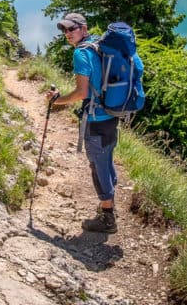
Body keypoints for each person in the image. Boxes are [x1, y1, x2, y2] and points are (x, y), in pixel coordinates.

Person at [46, 12, 132, 234]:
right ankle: (109, 203)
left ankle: (107, 218)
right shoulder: (98, 44)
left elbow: (81, 92)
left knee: (98, 166)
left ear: (83, 29)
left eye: (71, 29)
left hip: (96, 120)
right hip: (111, 115)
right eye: (64, 30)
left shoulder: (81, 54)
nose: (67, 34)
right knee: (107, 159)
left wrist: (57, 100)